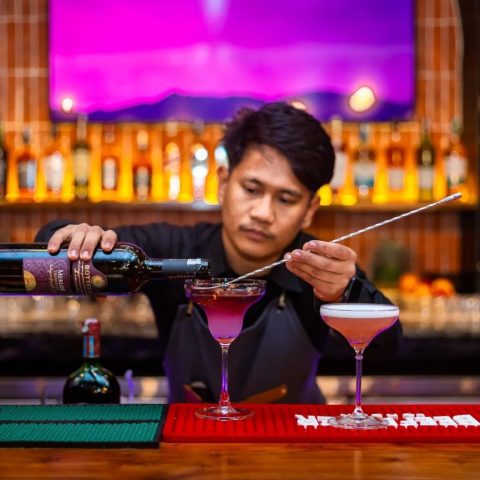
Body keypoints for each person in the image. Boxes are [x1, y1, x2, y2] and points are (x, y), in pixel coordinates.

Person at [35, 102, 402, 404]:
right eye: (251, 189)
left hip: (294, 452)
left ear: (309, 210)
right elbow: (47, 247)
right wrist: (74, 239)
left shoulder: (318, 266)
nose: (263, 213)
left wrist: (346, 292)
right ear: (224, 183)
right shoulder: (174, 251)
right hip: (188, 448)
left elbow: (388, 348)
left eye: (286, 199)